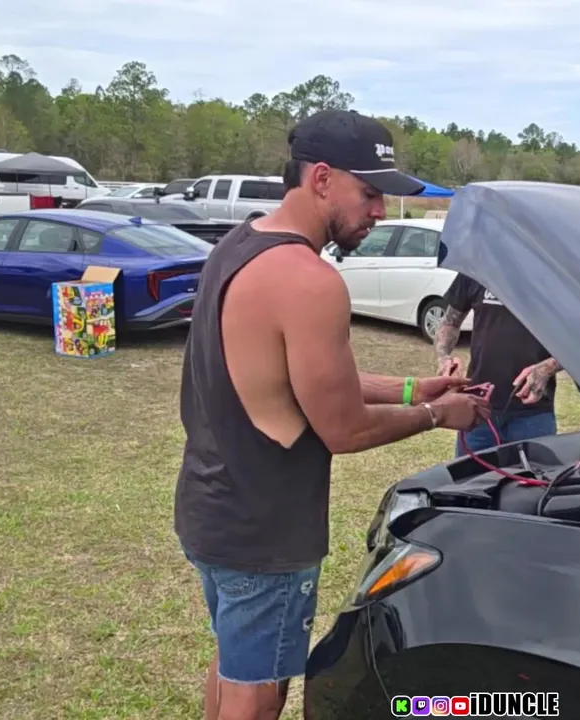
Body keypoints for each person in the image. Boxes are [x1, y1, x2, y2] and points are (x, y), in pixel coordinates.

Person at [173, 109, 488, 720]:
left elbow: (295, 379)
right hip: (264, 530)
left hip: (211, 509)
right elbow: (342, 427)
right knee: (258, 694)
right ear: (321, 179)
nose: (380, 211)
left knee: (236, 665)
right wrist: (439, 415)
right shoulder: (309, 280)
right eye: (369, 193)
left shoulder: (240, 245)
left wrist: (412, 390)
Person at [434, 273, 562, 455]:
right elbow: (450, 323)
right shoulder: (476, 268)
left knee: (536, 473)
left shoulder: (553, 273)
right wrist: (443, 357)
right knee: (468, 473)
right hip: (478, 407)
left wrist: (548, 368)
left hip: (533, 413)